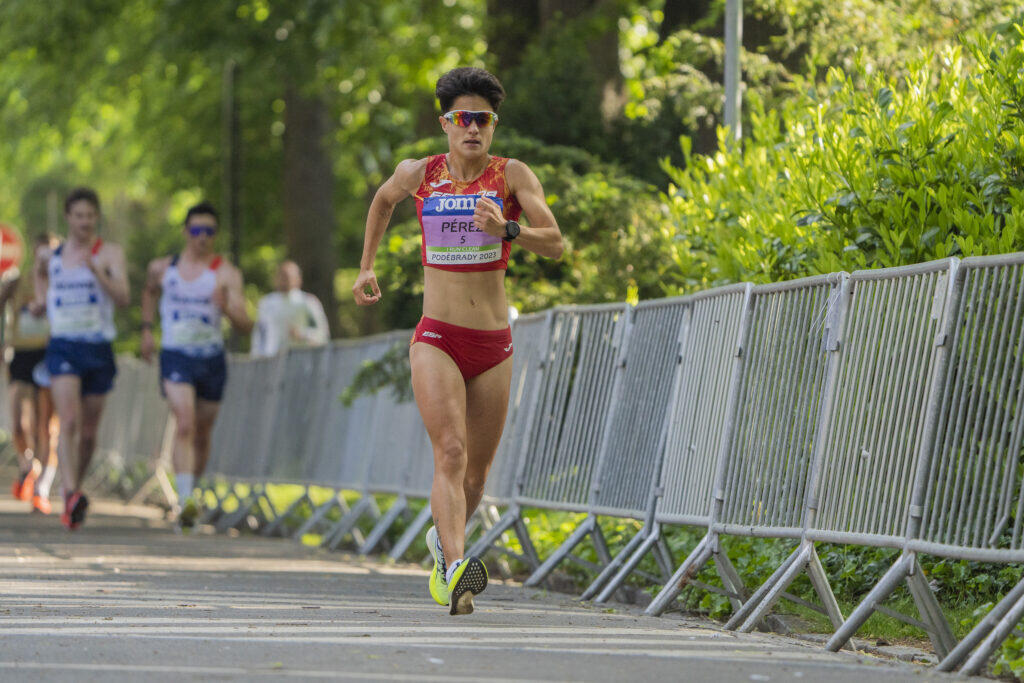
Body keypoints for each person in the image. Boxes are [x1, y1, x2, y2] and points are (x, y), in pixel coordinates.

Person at [353, 67, 564, 615]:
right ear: (445, 123)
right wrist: (366, 265)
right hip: (437, 337)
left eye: (483, 119)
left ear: (493, 126)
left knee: (475, 474)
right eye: (463, 118)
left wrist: (509, 230)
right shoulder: (420, 173)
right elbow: (382, 201)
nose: (473, 128)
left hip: (493, 344)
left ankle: (443, 544)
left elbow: (555, 243)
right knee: (450, 450)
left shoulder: (511, 175)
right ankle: (454, 571)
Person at [141, 201, 253, 528]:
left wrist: (227, 308)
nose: (202, 237)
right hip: (176, 353)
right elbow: (149, 293)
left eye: (209, 231)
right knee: (185, 423)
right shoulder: (163, 268)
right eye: (197, 230)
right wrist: (147, 331)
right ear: (186, 231)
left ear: (215, 235)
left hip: (211, 358)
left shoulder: (225, 273)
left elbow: (246, 325)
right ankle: (185, 501)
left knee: (202, 432)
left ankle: (192, 492)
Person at [35, 188, 130, 530]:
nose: (85, 222)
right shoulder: (51, 255)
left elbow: (123, 298)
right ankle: (69, 492)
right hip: (63, 345)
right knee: (69, 421)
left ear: (96, 217)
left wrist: (98, 272)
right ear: (68, 217)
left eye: (90, 216)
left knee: (88, 433)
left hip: (98, 347)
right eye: (78, 215)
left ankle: (76, 487)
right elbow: (39, 273)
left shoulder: (110, 253)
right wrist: (42, 301)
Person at [4, 232, 61, 514]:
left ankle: (42, 489)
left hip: (50, 354)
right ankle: (28, 466)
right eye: (41, 252)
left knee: (46, 426)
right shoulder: (16, 282)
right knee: (18, 423)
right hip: (22, 354)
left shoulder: (63, 281)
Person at [250, 260, 329, 357]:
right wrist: (256, 356)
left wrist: (302, 334)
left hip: (301, 358)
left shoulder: (308, 302)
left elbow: (323, 335)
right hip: (272, 359)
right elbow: (258, 334)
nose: (284, 280)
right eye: (281, 275)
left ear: (299, 279)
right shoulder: (266, 303)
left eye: (288, 276)